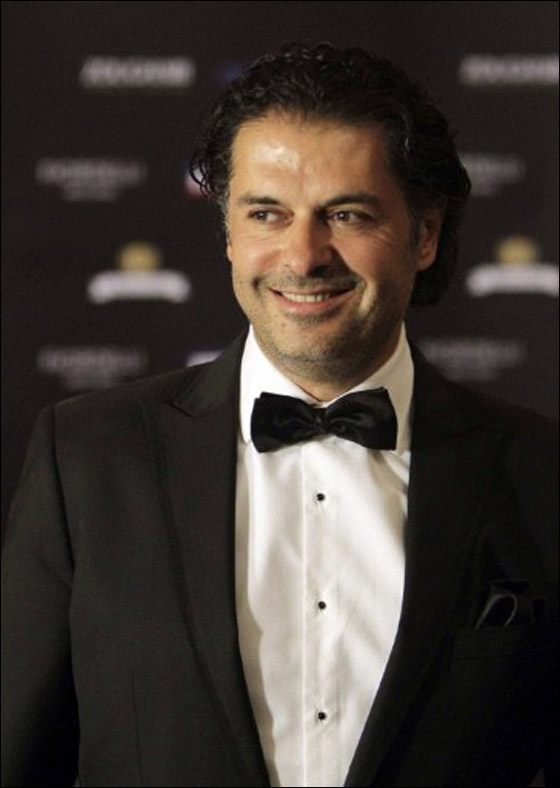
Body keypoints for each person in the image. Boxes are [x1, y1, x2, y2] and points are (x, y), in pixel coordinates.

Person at [1, 42, 557, 788]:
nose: (303, 256)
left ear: (424, 234)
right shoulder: (87, 459)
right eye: (267, 214)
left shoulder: (540, 474)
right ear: (229, 234)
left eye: (347, 214)